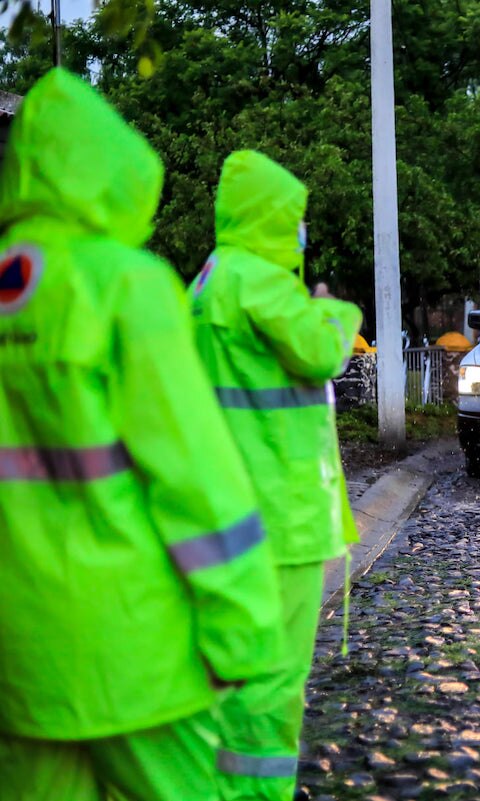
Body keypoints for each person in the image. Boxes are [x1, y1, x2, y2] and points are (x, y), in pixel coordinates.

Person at [0, 69, 282, 801]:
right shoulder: (128, 285)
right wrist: (245, 633)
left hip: (22, 663)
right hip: (134, 653)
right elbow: (195, 477)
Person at [189, 149, 362, 801]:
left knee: (230, 674)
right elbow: (320, 350)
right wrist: (334, 308)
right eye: (297, 218)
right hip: (281, 517)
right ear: (271, 215)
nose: (301, 232)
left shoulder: (208, 278)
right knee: (273, 681)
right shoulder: (259, 279)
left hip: (233, 510)